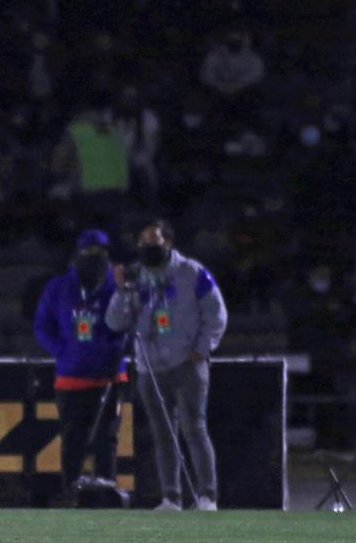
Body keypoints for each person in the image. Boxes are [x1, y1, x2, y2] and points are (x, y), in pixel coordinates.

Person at [106, 219, 228, 511]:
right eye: (143, 243)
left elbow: (216, 314)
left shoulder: (192, 273)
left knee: (194, 428)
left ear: (168, 243)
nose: (148, 248)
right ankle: (171, 497)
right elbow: (115, 322)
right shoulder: (137, 277)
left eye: (154, 242)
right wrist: (122, 291)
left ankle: (207, 496)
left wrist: (201, 349)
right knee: (163, 434)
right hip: (150, 366)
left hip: (187, 364)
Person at [33, 229, 127, 499]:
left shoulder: (115, 287)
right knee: (72, 440)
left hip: (109, 376)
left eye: (101, 254)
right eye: (89, 254)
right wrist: (62, 351)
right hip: (71, 376)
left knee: (106, 441)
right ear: (77, 255)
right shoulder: (59, 287)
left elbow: (129, 321)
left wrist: (114, 350)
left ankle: (106, 492)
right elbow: (42, 326)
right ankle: (71, 491)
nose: (95, 260)